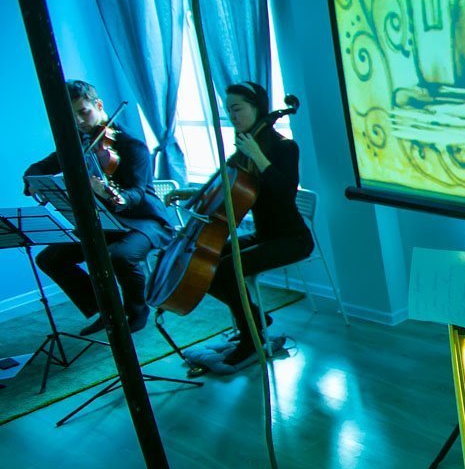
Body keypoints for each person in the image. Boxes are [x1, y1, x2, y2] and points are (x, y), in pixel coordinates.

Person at [167, 81, 313, 368]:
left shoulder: (284, 147)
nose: (232, 116)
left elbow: (284, 193)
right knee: (206, 262)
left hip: (292, 239)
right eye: (228, 110)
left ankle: (251, 337)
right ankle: (255, 320)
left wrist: (257, 156)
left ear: (257, 108)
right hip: (264, 235)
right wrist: (189, 193)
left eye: (237, 109)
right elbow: (227, 188)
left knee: (225, 270)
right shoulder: (246, 148)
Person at [24, 80, 173, 334]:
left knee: (120, 257)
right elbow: (40, 167)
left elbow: (137, 192)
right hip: (105, 221)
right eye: (72, 115)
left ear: (99, 105)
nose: (79, 121)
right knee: (50, 259)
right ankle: (108, 310)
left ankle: (137, 311)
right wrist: (32, 181)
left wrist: (110, 194)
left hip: (145, 221)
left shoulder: (131, 145)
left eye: (84, 112)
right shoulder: (78, 143)